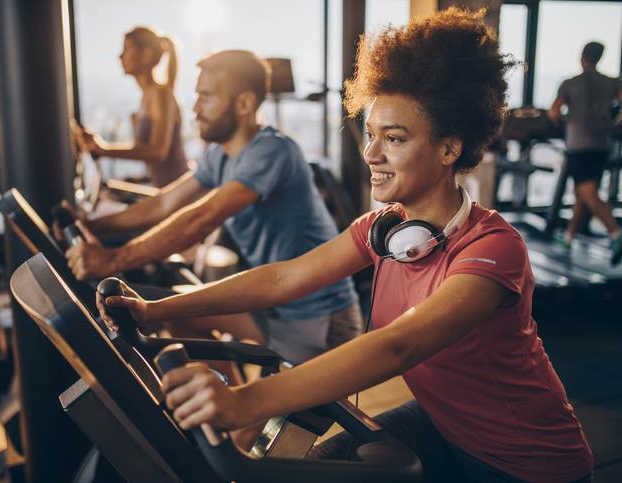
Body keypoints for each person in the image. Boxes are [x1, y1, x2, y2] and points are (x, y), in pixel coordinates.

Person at [101, 9, 594, 483]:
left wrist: (245, 402)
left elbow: (398, 345)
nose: (372, 154)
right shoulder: (382, 229)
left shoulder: (493, 249)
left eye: (394, 139)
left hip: (524, 462)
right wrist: (152, 309)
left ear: (449, 148)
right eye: (371, 133)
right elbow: (282, 278)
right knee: (314, 467)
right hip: (443, 425)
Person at [71, 49, 361, 365]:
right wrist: (93, 225)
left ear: (244, 104)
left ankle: (233, 406)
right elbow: (164, 202)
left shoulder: (273, 151)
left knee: (257, 409)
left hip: (320, 320)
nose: (195, 108)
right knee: (182, 313)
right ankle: (227, 398)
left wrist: (114, 259)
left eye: (206, 97)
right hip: (274, 306)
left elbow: (203, 217)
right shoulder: (219, 155)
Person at [77, 26, 188, 188]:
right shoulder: (146, 97)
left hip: (178, 192)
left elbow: (158, 152)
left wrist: (104, 149)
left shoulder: (160, 94)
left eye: (126, 49)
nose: (120, 56)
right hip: (163, 189)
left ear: (145, 55)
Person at [549, 41, 622, 265]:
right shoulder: (611, 82)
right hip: (602, 143)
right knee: (583, 192)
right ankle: (569, 237)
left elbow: (554, 112)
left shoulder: (570, 83)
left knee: (587, 192)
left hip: (579, 143)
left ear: (582, 56)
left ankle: (616, 233)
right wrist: (615, 123)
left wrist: (565, 125)